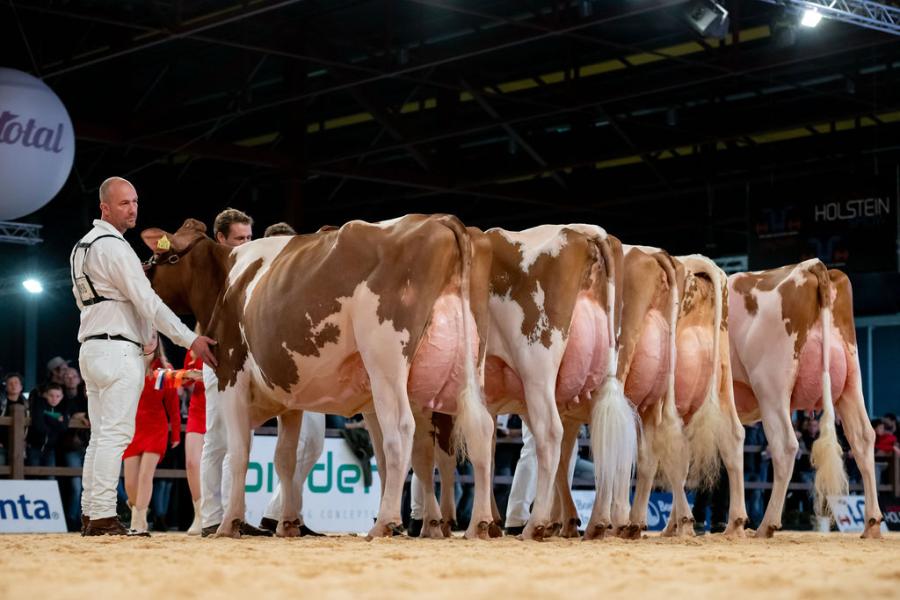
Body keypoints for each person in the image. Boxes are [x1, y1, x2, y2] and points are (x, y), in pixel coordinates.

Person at [70, 176, 216, 537]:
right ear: (104, 206)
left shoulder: (80, 247)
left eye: (135, 201)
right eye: (124, 203)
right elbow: (148, 302)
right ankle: (103, 514)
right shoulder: (114, 247)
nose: (133, 208)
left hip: (91, 346)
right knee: (115, 435)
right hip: (118, 349)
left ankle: (91, 512)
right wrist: (188, 340)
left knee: (101, 436)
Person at [200, 208, 271, 537]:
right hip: (217, 358)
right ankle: (211, 517)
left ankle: (234, 513)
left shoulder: (250, 270)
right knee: (217, 439)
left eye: (249, 237)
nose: (247, 243)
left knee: (241, 439)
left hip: (245, 361)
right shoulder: (211, 272)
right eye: (240, 238)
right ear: (221, 239)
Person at [255, 220, 326, 536]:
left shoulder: (304, 285)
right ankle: (282, 514)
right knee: (292, 441)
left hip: (311, 373)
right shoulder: (260, 284)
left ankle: (281, 512)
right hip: (279, 374)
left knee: (312, 445)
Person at [122, 331, 195, 534]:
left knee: (146, 475)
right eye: (145, 337)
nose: (148, 341)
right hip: (132, 427)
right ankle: (136, 507)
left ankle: (139, 520)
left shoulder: (165, 370)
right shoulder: (127, 366)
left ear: (157, 343)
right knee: (129, 480)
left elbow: (172, 404)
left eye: (153, 337)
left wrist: (175, 434)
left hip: (156, 427)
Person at [59, 367, 90, 531]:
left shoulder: (88, 396)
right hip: (70, 446)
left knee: (86, 486)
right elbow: (59, 414)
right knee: (75, 485)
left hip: (88, 446)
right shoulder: (63, 396)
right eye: (67, 376)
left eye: (74, 376)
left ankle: (81, 520)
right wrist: (75, 417)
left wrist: (83, 415)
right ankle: (71, 520)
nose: (70, 378)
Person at [183, 347, 206, 535]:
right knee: (192, 462)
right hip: (198, 407)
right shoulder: (194, 348)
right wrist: (187, 376)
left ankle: (219, 511)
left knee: (224, 462)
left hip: (222, 405)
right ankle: (199, 514)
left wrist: (208, 377)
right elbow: (185, 381)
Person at [25, 383, 68, 470]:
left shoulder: (63, 408)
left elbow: (63, 428)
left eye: (57, 396)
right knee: (34, 475)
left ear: (62, 396)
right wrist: (56, 421)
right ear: (45, 395)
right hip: (34, 446)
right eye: (51, 395)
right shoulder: (39, 404)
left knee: (50, 476)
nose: (54, 399)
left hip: (50, 448)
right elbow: (38, 426)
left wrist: (46, 417)